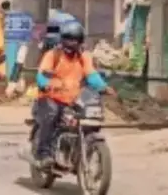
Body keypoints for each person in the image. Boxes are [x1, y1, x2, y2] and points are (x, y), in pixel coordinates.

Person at [32, 20, 111, 169]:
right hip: (50, 98)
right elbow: (41, 75)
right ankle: (44, 154)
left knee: (88, 117)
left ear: (80, 41)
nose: (71, 43)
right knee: (52, 114)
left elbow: (92, 75)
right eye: (68, 39)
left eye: (75, 40)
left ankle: (79, 151)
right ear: (62, 39)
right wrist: (46, 83)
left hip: (72, 100)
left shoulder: (83, 57)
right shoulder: (53, 55)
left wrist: (103, 87)